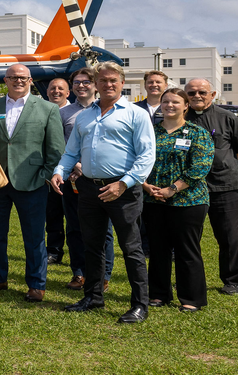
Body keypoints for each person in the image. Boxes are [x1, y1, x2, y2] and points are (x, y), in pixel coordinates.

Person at [51, 62, 156, 322]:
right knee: (92, 246)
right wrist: (59, 171)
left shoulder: (136, 114)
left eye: (114, 80)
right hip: (88, 188)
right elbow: (71, 151)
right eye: (103, 80)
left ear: (122, 83)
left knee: (131, 248)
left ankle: (139, 305)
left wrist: (124, 183)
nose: (108, 84)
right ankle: (93, 296)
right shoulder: (85, 116)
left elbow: (147, 155)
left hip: (123, 189)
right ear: (95, 84)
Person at [0, 63, 65, 302]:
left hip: (32, 182)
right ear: (4, 81)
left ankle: (36, 284)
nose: (19, 81)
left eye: (24, 78)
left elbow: (56, 148)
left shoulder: (47, 108)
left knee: (34, 235)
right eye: (13, 77)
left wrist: (44, 175)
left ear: (30, 81)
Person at [143, 88, 214, 311]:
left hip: (189, 201)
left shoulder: (196, 133)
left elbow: (200, 167)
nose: (169, 105)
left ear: (186, 106)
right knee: (158, 249)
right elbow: (137, 160)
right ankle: (158, 295)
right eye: (165, 102)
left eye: (175, 102)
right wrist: (146, 186)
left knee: (186, 250)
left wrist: (173, 189)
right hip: (153, 200)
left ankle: (191, 299)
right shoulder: (150, 132)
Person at [185, 78, 238, 295]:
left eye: (202, 92)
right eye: (191, 93)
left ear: (213, 94)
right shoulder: (180, 118)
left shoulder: (227, 117)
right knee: (188, 237)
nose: (197, 96)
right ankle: (188, 280)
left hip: (224, 187)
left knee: (229, 236)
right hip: (189, 188)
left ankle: (233, 280)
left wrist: (221, 170)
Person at [61, 68, 114, 292]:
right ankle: (79, 273)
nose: (81, 86)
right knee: (74, 227)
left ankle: (104, 274)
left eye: (86, 82)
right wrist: (75, 165)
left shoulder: (106, 109)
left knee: (105, 230)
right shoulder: (64, 113)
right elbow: (59, 144)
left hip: (101, 179)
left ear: (95, 85)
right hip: (72, 179)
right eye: (77, 82)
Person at [44, 78, 70, 265]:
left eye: (61, 88)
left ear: (68, 93)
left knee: (76, 217)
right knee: (52, 214)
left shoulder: (77, 112)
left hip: (75, 172)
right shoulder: (42, 111)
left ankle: (80, 252)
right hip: (50, 172)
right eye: (52, 88)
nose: (56, 91)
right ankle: (53, 251)